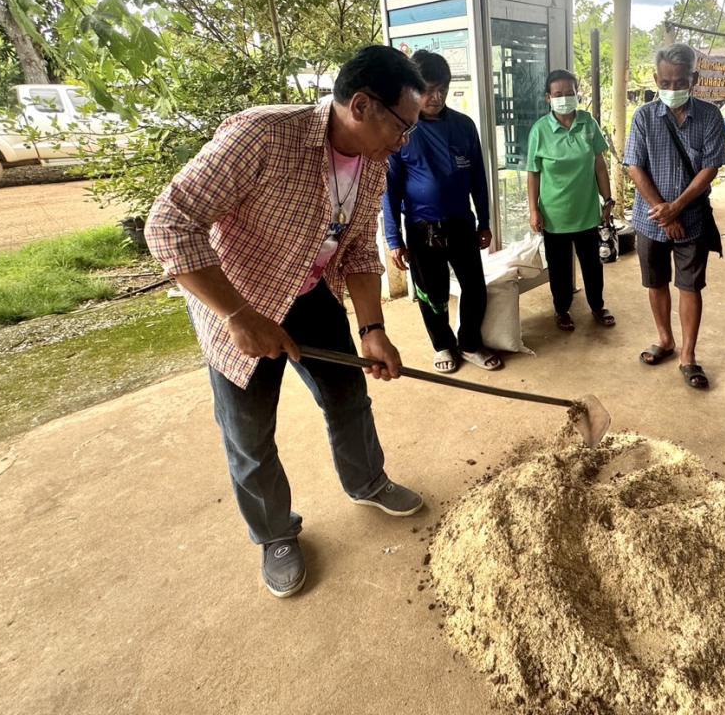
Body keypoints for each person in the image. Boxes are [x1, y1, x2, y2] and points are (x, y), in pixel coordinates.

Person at [145, 45, 426, 599]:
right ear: (362, 105)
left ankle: (366, 480)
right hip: (238, 303)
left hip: (308, 293)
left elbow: (358, 253)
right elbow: (169, 222)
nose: (404, 140)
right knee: (249, 433)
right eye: (402, 125)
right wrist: (237, 314)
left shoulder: (374, 162)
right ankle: (275, 533)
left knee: (349, 395)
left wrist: (373, 329)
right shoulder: (264, 135)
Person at [384, 50, 501, 374]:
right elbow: (389, 189)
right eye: (428, 89)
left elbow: (478, 176)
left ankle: (470, 342)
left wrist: (485, 221)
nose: (436, 96)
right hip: (423, 228)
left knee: (475, 287)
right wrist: (393, 239)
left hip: (462, 222)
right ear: (413, 89)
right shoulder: (403, 131)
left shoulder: (463, 126)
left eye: (443, 88)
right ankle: (442, 344)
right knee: (431, 294)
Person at [624, 43, 725, 389]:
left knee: (689, 285)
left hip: (692, 219)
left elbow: (710, 168)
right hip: (649, 220)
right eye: (665, 82)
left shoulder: (710, 117)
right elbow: (634, 167)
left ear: (693, 79)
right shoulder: (643, 116)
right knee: (655, 282)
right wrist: (664, 213)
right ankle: (665, 340)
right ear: (656, 79)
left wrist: (678, 207)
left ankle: (688, 356)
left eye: (679, 81)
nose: (672, 88)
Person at [526, 69, 617, 331]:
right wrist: (534, 210)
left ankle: (598, 306)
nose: (564, 98)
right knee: (559, 267)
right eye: (558, 94)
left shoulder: (588, 124)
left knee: (592, 265)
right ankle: (562, 309)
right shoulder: (540, 131)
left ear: (577, 94)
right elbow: (533, 175)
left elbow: (600, 166)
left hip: (588, 211)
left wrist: (607, 200)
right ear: (548, 98)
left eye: (569, 93)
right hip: (554, 215)